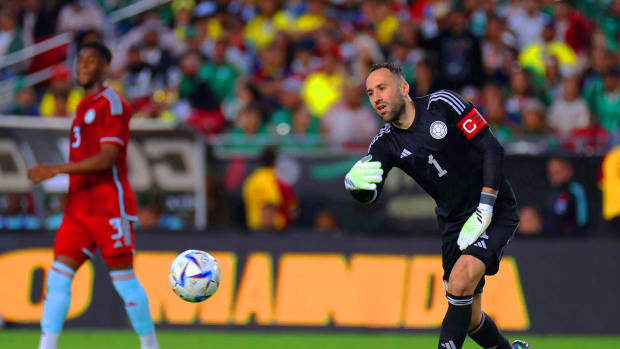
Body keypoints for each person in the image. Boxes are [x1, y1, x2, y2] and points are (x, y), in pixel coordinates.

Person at [344, 62, 528, 349]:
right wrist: (355, 187)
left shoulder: (442, 104)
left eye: (382, 88)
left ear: (404, 88)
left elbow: (492, 147)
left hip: (493, 206)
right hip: (453, 222)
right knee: (469, 317)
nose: (376, 98)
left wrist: (486, 207)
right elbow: (371, 194)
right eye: (370, 93)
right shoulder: (384, 144)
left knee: (460, 282)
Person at [27, 42, 159, 349]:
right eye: (80, 61)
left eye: (91, 61)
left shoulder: (113, 104)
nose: (83, 66)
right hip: (78, 208)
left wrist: (58, 169)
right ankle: (46, 346)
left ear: (104, 67)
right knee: (58, 277)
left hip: (108, 204)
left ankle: (150, 345)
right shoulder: (82, 106)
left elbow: (107, 158)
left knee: (124, 282)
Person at [542, 157, 588, 236]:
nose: (554, 177)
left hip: (571, 240)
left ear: (568, 171)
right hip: (551, 239)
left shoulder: (576, 190)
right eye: (551, 173)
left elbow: (582, 220)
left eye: (558, 172)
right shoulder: (549, 192)